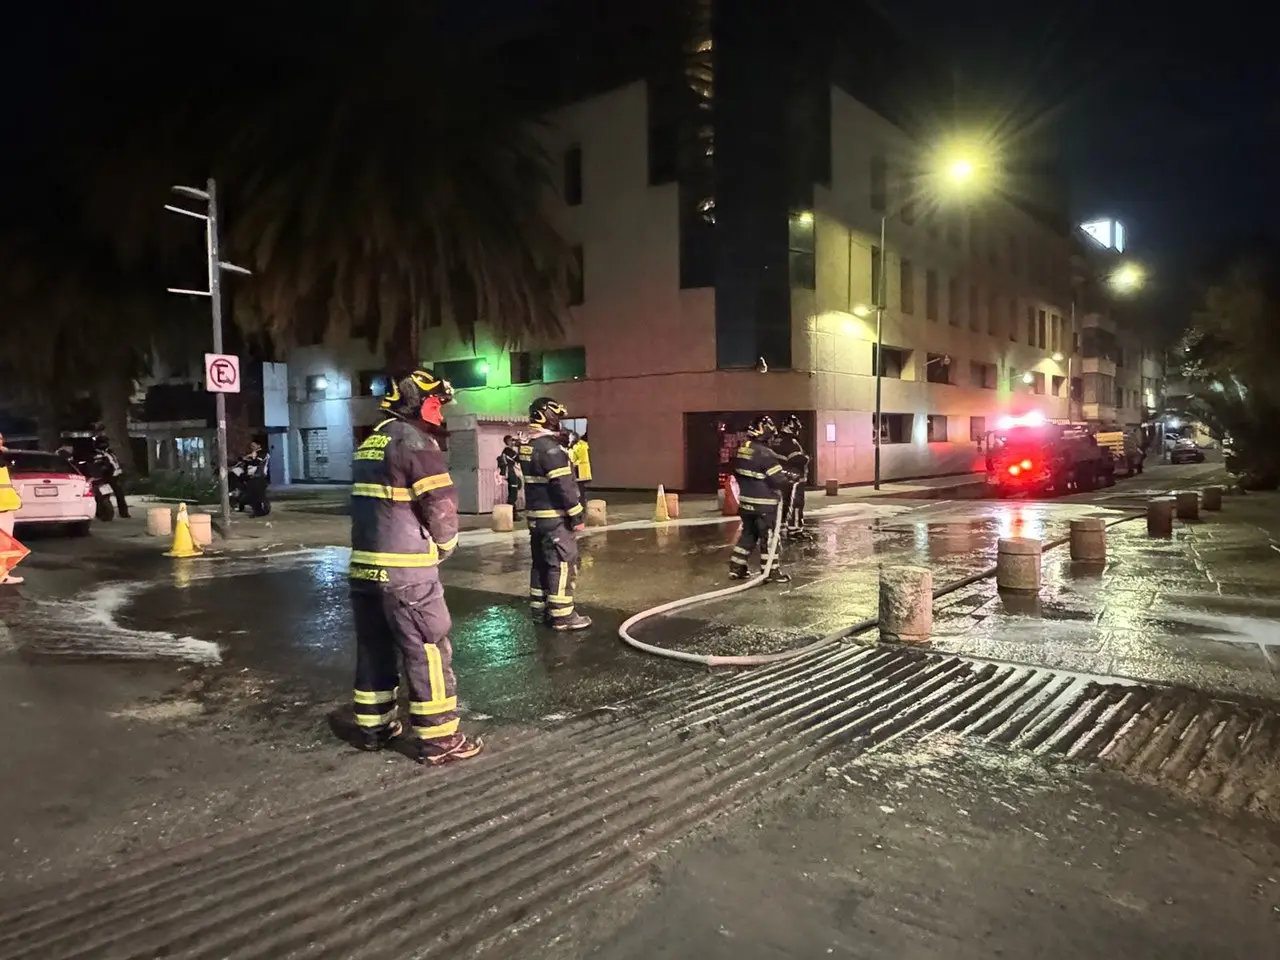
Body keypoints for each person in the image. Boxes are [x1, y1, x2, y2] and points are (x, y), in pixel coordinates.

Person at [347, 368, 482, 766]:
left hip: (365, 569)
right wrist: (446, 544)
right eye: (438, 403)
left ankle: (375, 727)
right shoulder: (415, 441)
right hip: (407, 573)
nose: (441, 411)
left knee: (374, 647)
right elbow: (438, 504)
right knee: (429, 650)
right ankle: (440, 740)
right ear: (420, 402)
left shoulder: (371, 441)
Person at [519, 397, 591, 630]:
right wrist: (577, 515)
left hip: (536, 517)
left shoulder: (528, 445)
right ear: (547, 416)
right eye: (557, 417)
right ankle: (563, 615)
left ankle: (540, 610)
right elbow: (564, 485)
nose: (559, 422)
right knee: (561, 563)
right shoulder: (550, 448)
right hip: (555, 518)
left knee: (540, 563)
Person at [729, 415, 792, 583]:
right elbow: (777, 480)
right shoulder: (766, 454)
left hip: (746, 503)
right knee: (770, 537)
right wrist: (789, 479)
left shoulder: (743, 449)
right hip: (764, 505)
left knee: (748, 535)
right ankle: (770, 571)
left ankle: (737, 568)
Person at [772, 414, 812, 539]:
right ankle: (795, 530)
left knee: (784, 503)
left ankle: (782, 526)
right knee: (796, 504)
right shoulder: (790, 441)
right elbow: (797, 458)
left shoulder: (776, 440)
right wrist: (807, 458)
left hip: (782, 477)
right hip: (794, 478)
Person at [0, 433, 25, 585]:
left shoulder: (3, 458)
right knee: (3, 545)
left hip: (6, 507)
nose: (1, 442)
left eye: (1, 439)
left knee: (5, 546)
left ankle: (3, 574)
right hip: (2, 509)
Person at [91, 435, 130, 519]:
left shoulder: (109, 452)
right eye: (104, 443)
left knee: (119, 494)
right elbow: (100, 465)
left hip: (115, 476)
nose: (106, 444)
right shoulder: (96, 454)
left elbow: (114, 462)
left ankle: (124, 513)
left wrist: (119, 469)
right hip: (104, 477)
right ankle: (103, 513)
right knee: (103, 496)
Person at [234, 441, 271, 517]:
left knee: (256, 495)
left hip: (259, 477)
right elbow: (245, 461)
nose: (252, 447)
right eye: (251, 446)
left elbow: (257, 462)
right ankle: (257, 510)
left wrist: (249, 458)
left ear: (259, 445)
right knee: (253, 494)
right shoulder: (253, 453)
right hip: (251, 477)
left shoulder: (263, 453)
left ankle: (260, 511)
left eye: (254, 445)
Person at [497, 435, 522, 518]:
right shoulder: (508, 450)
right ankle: (511, 515)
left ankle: (513, 515)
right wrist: (520, 447)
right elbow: (519, 459)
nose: (513, 442)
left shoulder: (508, 451)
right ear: (508, 442)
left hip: (511, 473)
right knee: (513, 495)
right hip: (511, 473)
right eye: (512, 440)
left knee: (513, 493)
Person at [569, 431, 592, 513]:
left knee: (579, 492)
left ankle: (581, 508)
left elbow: (574, 459)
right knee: (581, 491)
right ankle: (583, 507)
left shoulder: (576, 447)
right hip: (584, 472)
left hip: (579, 472)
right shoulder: (583, 444)